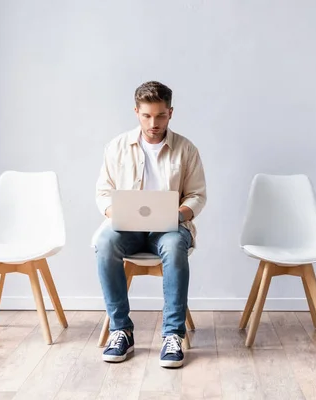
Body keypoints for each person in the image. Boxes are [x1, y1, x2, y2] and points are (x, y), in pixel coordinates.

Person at [94, 81, 206, 368]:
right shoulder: (116, 147)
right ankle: (121, 330)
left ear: (170, 113)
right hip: (126, 229)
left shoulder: (186, 149)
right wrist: (113, 212)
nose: (153, 123)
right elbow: (103, 192)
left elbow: (197, 195)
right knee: (105, 242)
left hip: (169, 229)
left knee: (174, 246)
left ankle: (172, 335)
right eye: (146, 116)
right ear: (136, 112)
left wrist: (177, 214)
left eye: (160, 116)